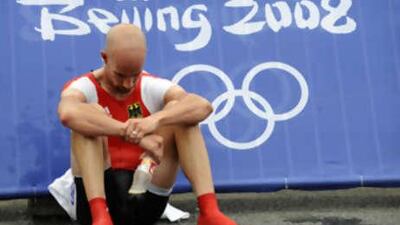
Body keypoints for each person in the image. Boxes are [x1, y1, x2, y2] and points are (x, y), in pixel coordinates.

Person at [58, 23, 238, 225]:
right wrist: (128, 132)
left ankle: (209, 211)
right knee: (87, 117)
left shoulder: (151, 85)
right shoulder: (83, 86)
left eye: (134, 75)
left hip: (146, 193)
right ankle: (100, 215)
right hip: (100, 195)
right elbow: (67, 114)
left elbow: (202, 106)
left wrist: (155, 120)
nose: (128, 84)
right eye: (120, 75)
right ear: (105, 58)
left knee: (182, 114)